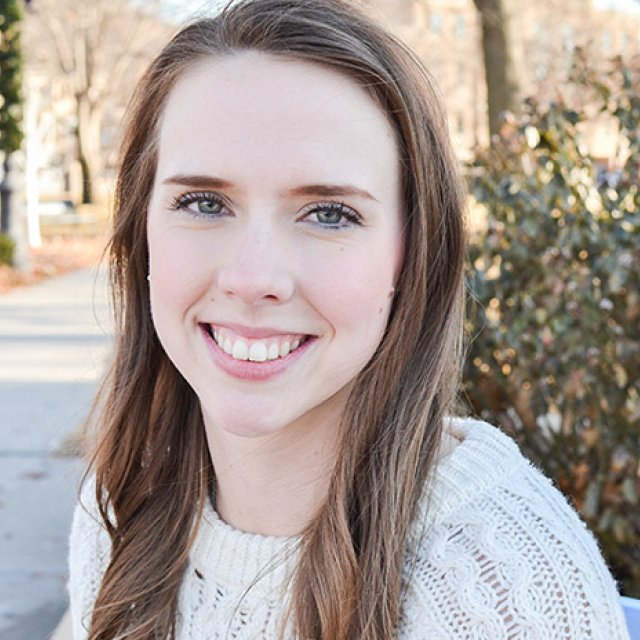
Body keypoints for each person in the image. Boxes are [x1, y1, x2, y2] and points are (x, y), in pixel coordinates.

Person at [68, 0, 630, 638]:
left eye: (330, 214)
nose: (253, 279)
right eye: (202, 202)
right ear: (140, 232)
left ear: (411, 255)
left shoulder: (498, 583)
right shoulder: (120, 507)